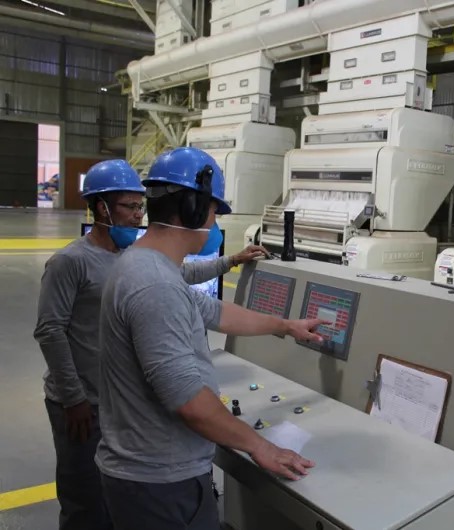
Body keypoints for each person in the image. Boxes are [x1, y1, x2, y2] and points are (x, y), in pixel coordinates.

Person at [33, 159, 266, 530]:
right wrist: (72, 397)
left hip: (113, 398)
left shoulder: (132, 258)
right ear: (99, 207)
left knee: (110, 501)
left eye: (139, 205)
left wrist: (230, 260)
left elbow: (183, 272)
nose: (136, 215)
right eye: (128, 206)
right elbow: (50, 331)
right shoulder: (71, 263)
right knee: (84, 501)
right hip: (81, 401)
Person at [96, 147, 322, 530]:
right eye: (215, 212)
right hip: (159, 484)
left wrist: (285, 326)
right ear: (193, 207)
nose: (214, 223)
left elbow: (217, 313)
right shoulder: (153, 283)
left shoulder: (147, 266)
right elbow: (190, 402)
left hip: (152, 474)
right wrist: (261, 446)